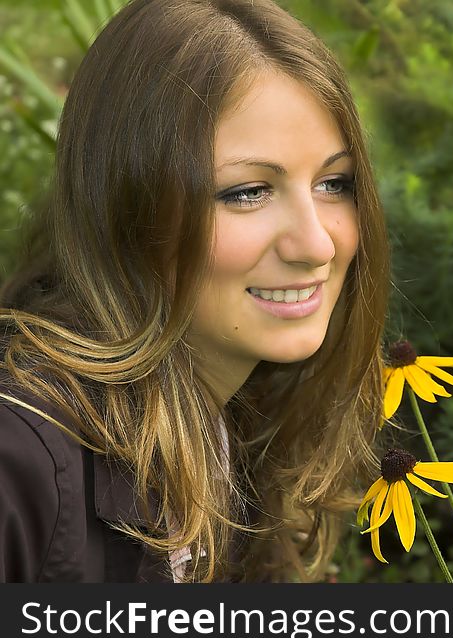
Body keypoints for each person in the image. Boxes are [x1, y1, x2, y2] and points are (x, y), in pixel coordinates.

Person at [0, 0, 389, 582]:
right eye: (247, 192)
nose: (316, 245)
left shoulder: (246, 421)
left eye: (334, 183)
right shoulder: (21, 461)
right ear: (128, 208)